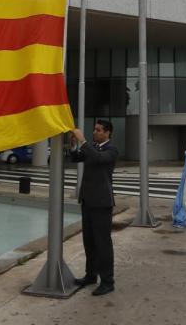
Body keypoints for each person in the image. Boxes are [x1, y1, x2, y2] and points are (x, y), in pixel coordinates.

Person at [69, 120, 119, 296]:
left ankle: (107, 281)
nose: (94, 132)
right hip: (88, 201)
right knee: (89, 242)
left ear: (107, 133)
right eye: (94, 129)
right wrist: (74, 145)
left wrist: (82, 141)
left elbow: (99, 159)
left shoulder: (111, 150)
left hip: (102, 203)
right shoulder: (92, 147)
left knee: (103, 243)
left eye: (98, 130)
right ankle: (91, 275)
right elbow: (76, 158)